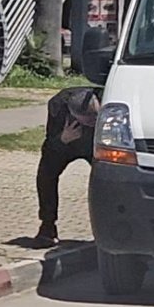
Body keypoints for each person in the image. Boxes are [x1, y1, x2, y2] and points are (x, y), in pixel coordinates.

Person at [33, 87, 101, 247]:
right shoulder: (57, 106)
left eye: (95, 117)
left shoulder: (107, 97)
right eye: (88, 120)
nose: (92, 122)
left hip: (96, 145)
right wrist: (63, 139)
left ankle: (111, 225)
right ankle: (47, 225)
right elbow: (50, 142)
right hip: (67, 142)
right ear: (73, 114)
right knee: (45, 174)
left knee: (110, 179)